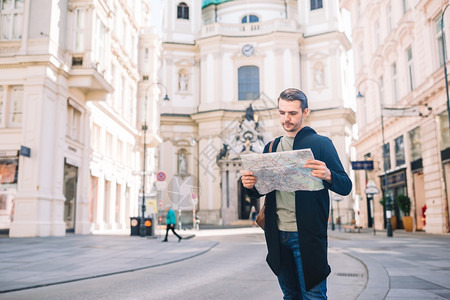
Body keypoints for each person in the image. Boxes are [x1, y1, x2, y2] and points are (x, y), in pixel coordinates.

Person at [241, 88, 352, 299]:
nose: (286, 118)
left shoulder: (321, 144)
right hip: (277, 234)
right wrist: (249, 185)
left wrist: (329, 175)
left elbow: (345, 185)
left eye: (292, 113)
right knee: (290, 296)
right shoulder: (271, 146)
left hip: (307, 236)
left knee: (314, 296)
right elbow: (261, 191)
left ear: (305, 112)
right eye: (282, 113)